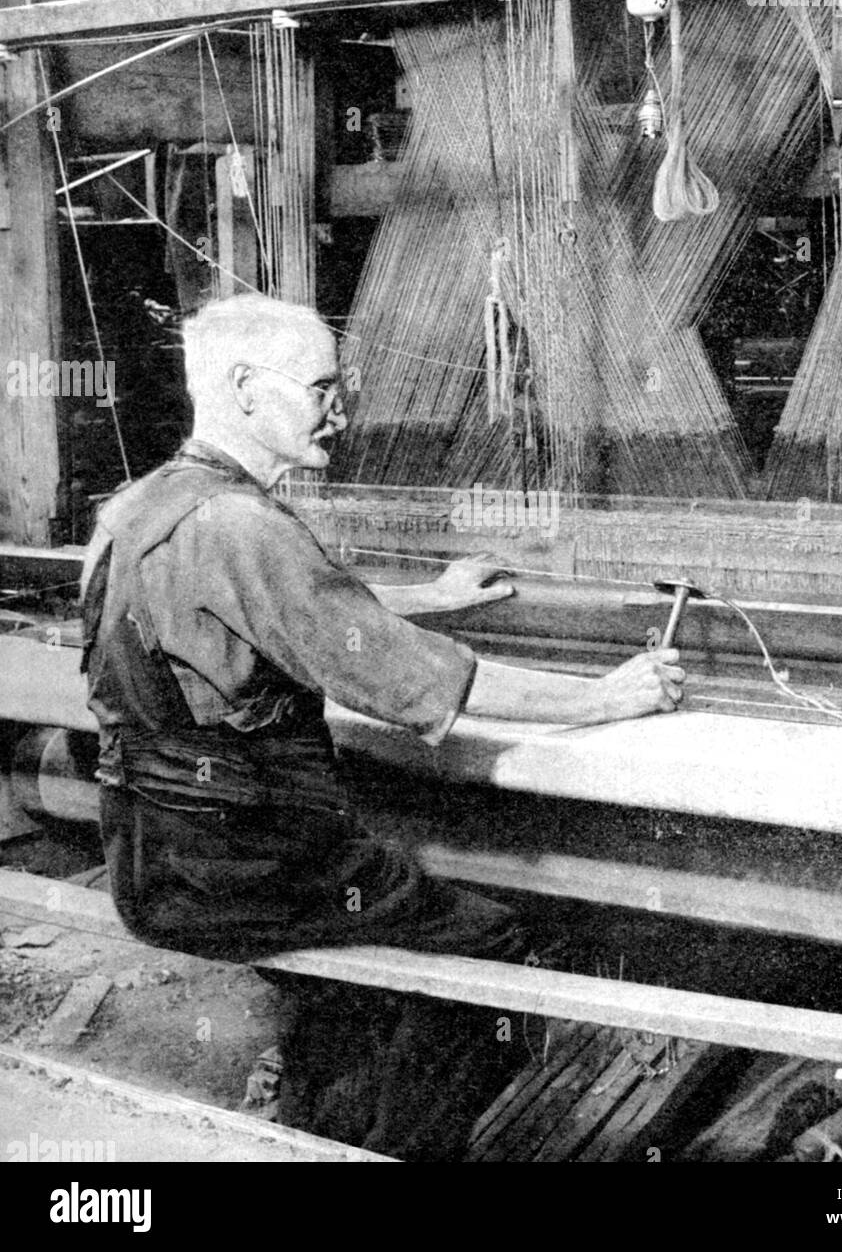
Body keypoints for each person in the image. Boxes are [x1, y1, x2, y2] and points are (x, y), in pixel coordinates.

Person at [80, 291, 685, 1158]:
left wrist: (427, 598)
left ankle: (314, 1134)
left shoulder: (140, 506)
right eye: (322, 387)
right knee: (492, 941)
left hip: (151, 855)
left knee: (352, 975)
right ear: (248, 389)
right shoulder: (242, 524)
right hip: (241, 869)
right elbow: (403, 680)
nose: (341, 409)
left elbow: (271, 611)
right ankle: (409, 1149)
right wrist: (603, 697)